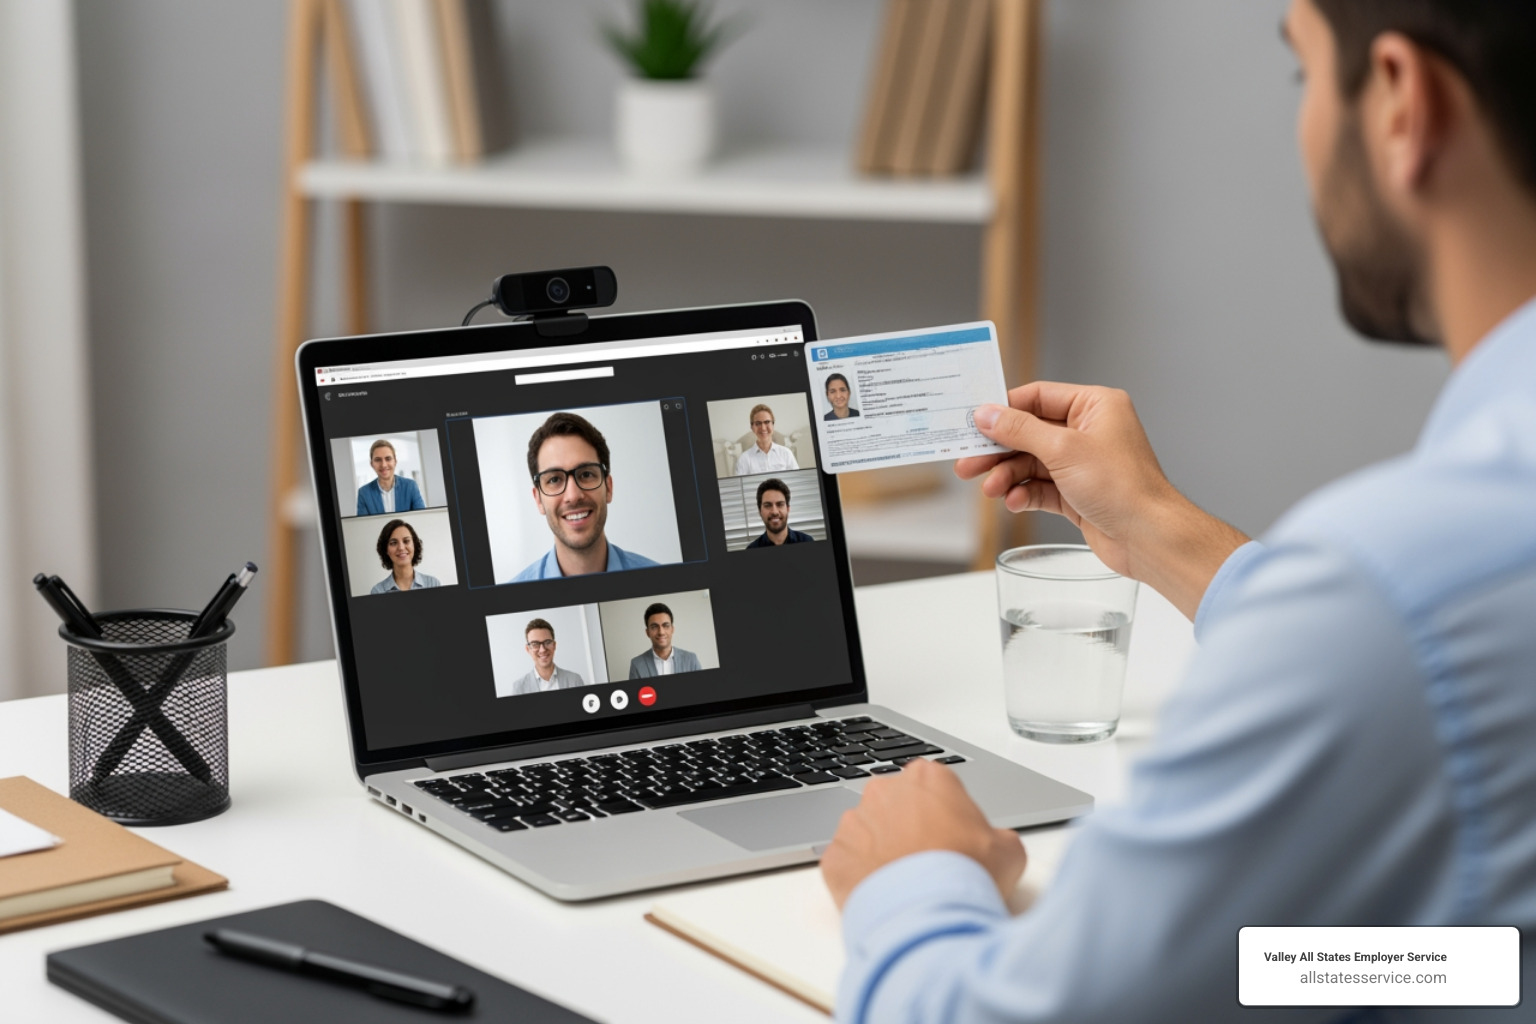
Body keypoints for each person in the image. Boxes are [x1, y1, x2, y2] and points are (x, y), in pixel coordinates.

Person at [821, 2, 1536, 1021]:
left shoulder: (1394, 594)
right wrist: (1155, 523)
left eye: (1303, 77)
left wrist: (913, 878)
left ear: (1400, 101)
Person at [509, 412, 659, 582]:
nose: (573, 496)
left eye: (586, 474)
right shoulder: (509, 602)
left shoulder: (661, 580)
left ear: (608, 487)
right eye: (554, 479)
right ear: (538, 500)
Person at [508, 618, 586, 695]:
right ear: (528, 649)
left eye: (547, 642)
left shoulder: (575, 680)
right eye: (535, 644)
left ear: (554, 645)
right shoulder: (519, 688)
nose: (542, 650)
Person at [627, 603, 703, 678]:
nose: (661, 632)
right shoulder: (637, 665)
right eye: (654, 627)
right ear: (647, 632)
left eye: (666, 626)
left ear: (672, 629)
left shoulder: (691, 660)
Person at [356, 439, 426, 516]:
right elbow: (364, 525)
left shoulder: (410, 486)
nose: (383, 465)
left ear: (395, 461)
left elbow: (421, 517)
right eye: (378, 460)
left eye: (388, 459)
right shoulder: (364, 493)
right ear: (372, 464)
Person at [369, 519, 440, 594]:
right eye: (393, 543)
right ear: (386, 550)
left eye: (406, 541)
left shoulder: (433, 584)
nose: (401, 547)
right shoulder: (378, 591)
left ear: (414, 545)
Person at [733, 403, 800, 475]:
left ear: (773, 425)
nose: (763, 428)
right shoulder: (744, 459)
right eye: (758, 423)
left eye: (767, 422)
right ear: (752, 428)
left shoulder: (786, 454)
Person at [746, 478, 813, 548]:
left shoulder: (807, 542)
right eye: (768, 505)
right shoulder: (751, 550)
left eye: (780, 504)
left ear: (788, 508)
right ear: (760, 511)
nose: (775, 512)